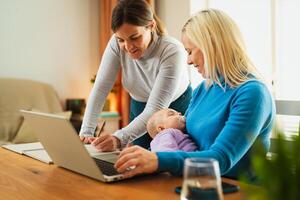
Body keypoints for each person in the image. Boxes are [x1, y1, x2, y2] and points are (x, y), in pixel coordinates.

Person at [114, 9, 275, 180]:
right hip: (196, 182)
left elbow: (220, 160)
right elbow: (182, 141)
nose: (189, 61)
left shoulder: (252, 93)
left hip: (236, 189)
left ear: (211, 45)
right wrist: (138, 158)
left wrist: (157, 160)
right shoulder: (202, 90)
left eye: (190, 51)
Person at [79, 0, 192, 151]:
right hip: (140, 107)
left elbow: (156, 108)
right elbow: (100, 88)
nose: (128, 47)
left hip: (175, 109)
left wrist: (119, 138)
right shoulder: (116, 43)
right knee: (140, 163)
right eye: (121, 40)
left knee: (172, 162)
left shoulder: (171, 50)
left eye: (134, 37)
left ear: (151, 26)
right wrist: (86, 132)